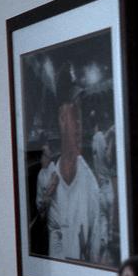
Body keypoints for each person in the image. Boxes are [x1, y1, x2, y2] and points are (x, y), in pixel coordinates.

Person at [35, 100, 107, 261]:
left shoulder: (91, 182)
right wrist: (48, 193)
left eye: (79, 119)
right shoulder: (47, 175)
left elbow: (95, 240)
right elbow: (40, 215)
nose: (77, 125)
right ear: (59, 123)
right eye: (71, 117)